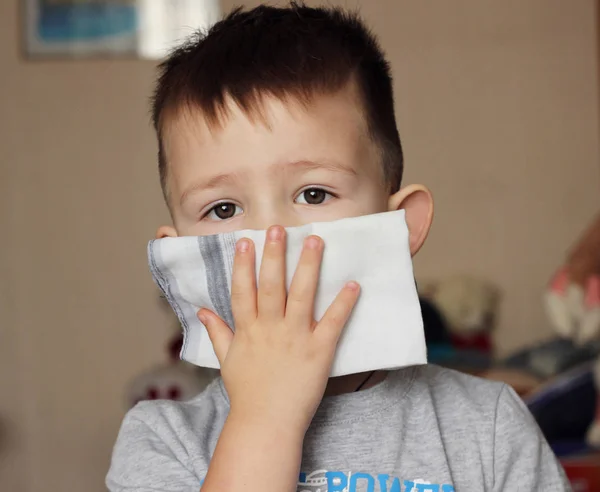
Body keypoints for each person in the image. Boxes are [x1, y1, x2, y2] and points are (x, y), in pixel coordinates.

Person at [106, 3, 569, 491]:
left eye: (313, 194)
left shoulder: (489, 429)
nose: (271, 239)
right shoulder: (163, 441)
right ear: (178, 266)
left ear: (398, 227)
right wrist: (264, 417)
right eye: (223, 209)